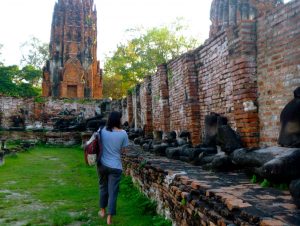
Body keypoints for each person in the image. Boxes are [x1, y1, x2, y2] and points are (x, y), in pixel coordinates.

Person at [97, 111, 129, 225]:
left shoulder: (102, 130)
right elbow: (124, 150)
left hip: (102, 165)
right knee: (113, 192)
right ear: (118, 120)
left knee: (102, 187)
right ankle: (109, 218)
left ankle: (102, 211)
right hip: (116, 166)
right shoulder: (123, 133)